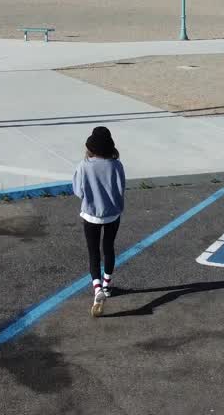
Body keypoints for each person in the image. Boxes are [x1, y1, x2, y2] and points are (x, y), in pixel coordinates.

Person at [72, 126, 126, 317]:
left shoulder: (84, 166)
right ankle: (107, 285)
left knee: (93, 252)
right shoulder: (116, 165)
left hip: (91, 215)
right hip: (112, 214)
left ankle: (97, 290)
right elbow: (121, 189)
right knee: (109, 248)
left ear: (91, 147)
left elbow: (78, 191)